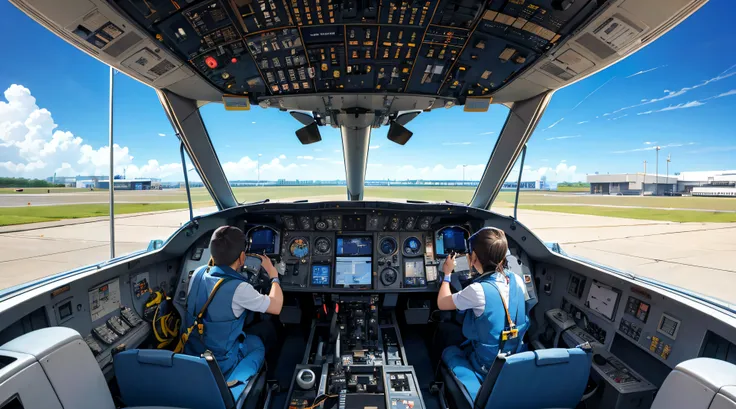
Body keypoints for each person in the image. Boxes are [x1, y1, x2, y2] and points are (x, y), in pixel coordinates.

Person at [181, 225, 283, 377]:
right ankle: (245, 379)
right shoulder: (239, 288)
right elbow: (276, 306)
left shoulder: (198, 273)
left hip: (192, 353)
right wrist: (274, 275)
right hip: (220, 362)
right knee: (260, 340)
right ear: (242, 257)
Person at [436, 227, 529, 381]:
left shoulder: (477, 290)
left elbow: (442, 303)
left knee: (447, 340)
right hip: (514, 357)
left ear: (473, 258)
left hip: (486, 364)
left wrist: (447, 274)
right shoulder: (517, 280)